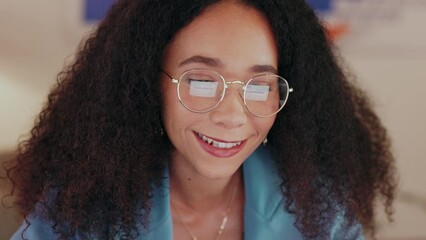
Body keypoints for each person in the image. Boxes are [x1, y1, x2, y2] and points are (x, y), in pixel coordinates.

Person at [6, 0, 396, 239]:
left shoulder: (321, 210)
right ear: (147, 84)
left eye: (260, 85)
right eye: (201, 80)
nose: (231, 115)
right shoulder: (77, 210)